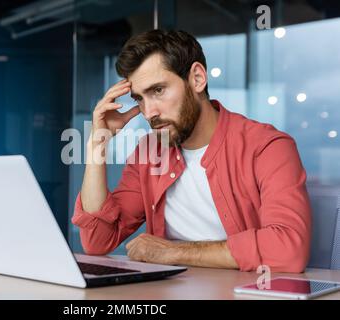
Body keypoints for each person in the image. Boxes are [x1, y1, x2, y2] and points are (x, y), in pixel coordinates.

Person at [72, 30, 311, 272]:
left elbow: (288, 250)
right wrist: (96, 144)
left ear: (197, 78)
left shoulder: (267, 146)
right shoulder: (149, 151)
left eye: (158, 90)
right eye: (139, 99)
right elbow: (98, 241)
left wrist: (172, 252)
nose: (149, 112)